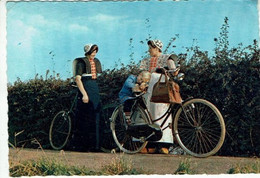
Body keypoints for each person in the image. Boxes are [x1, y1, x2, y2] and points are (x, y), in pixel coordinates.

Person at [140, 39, 179, 154]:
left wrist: (173, 70)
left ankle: (163, 145)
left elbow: (173, 69)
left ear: (157, 48)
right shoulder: (146, 60)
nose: (149, 50)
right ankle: (150, 145)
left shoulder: (166, 57)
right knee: (149, 115)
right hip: (149, 89)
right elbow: (142, 73)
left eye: (151, 48)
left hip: (161, 88)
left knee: (162, 114)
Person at [71, 44, 102, 152]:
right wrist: (84, 94)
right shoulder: (81, 62)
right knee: (85, 118)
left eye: (95, 51)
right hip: (85, 89)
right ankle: (83, 146)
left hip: (94, 89)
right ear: (88, 51)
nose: (94, 53)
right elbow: (78, 79)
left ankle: (95, 146)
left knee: (96, 117)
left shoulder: (96, 61)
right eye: (92, 51)